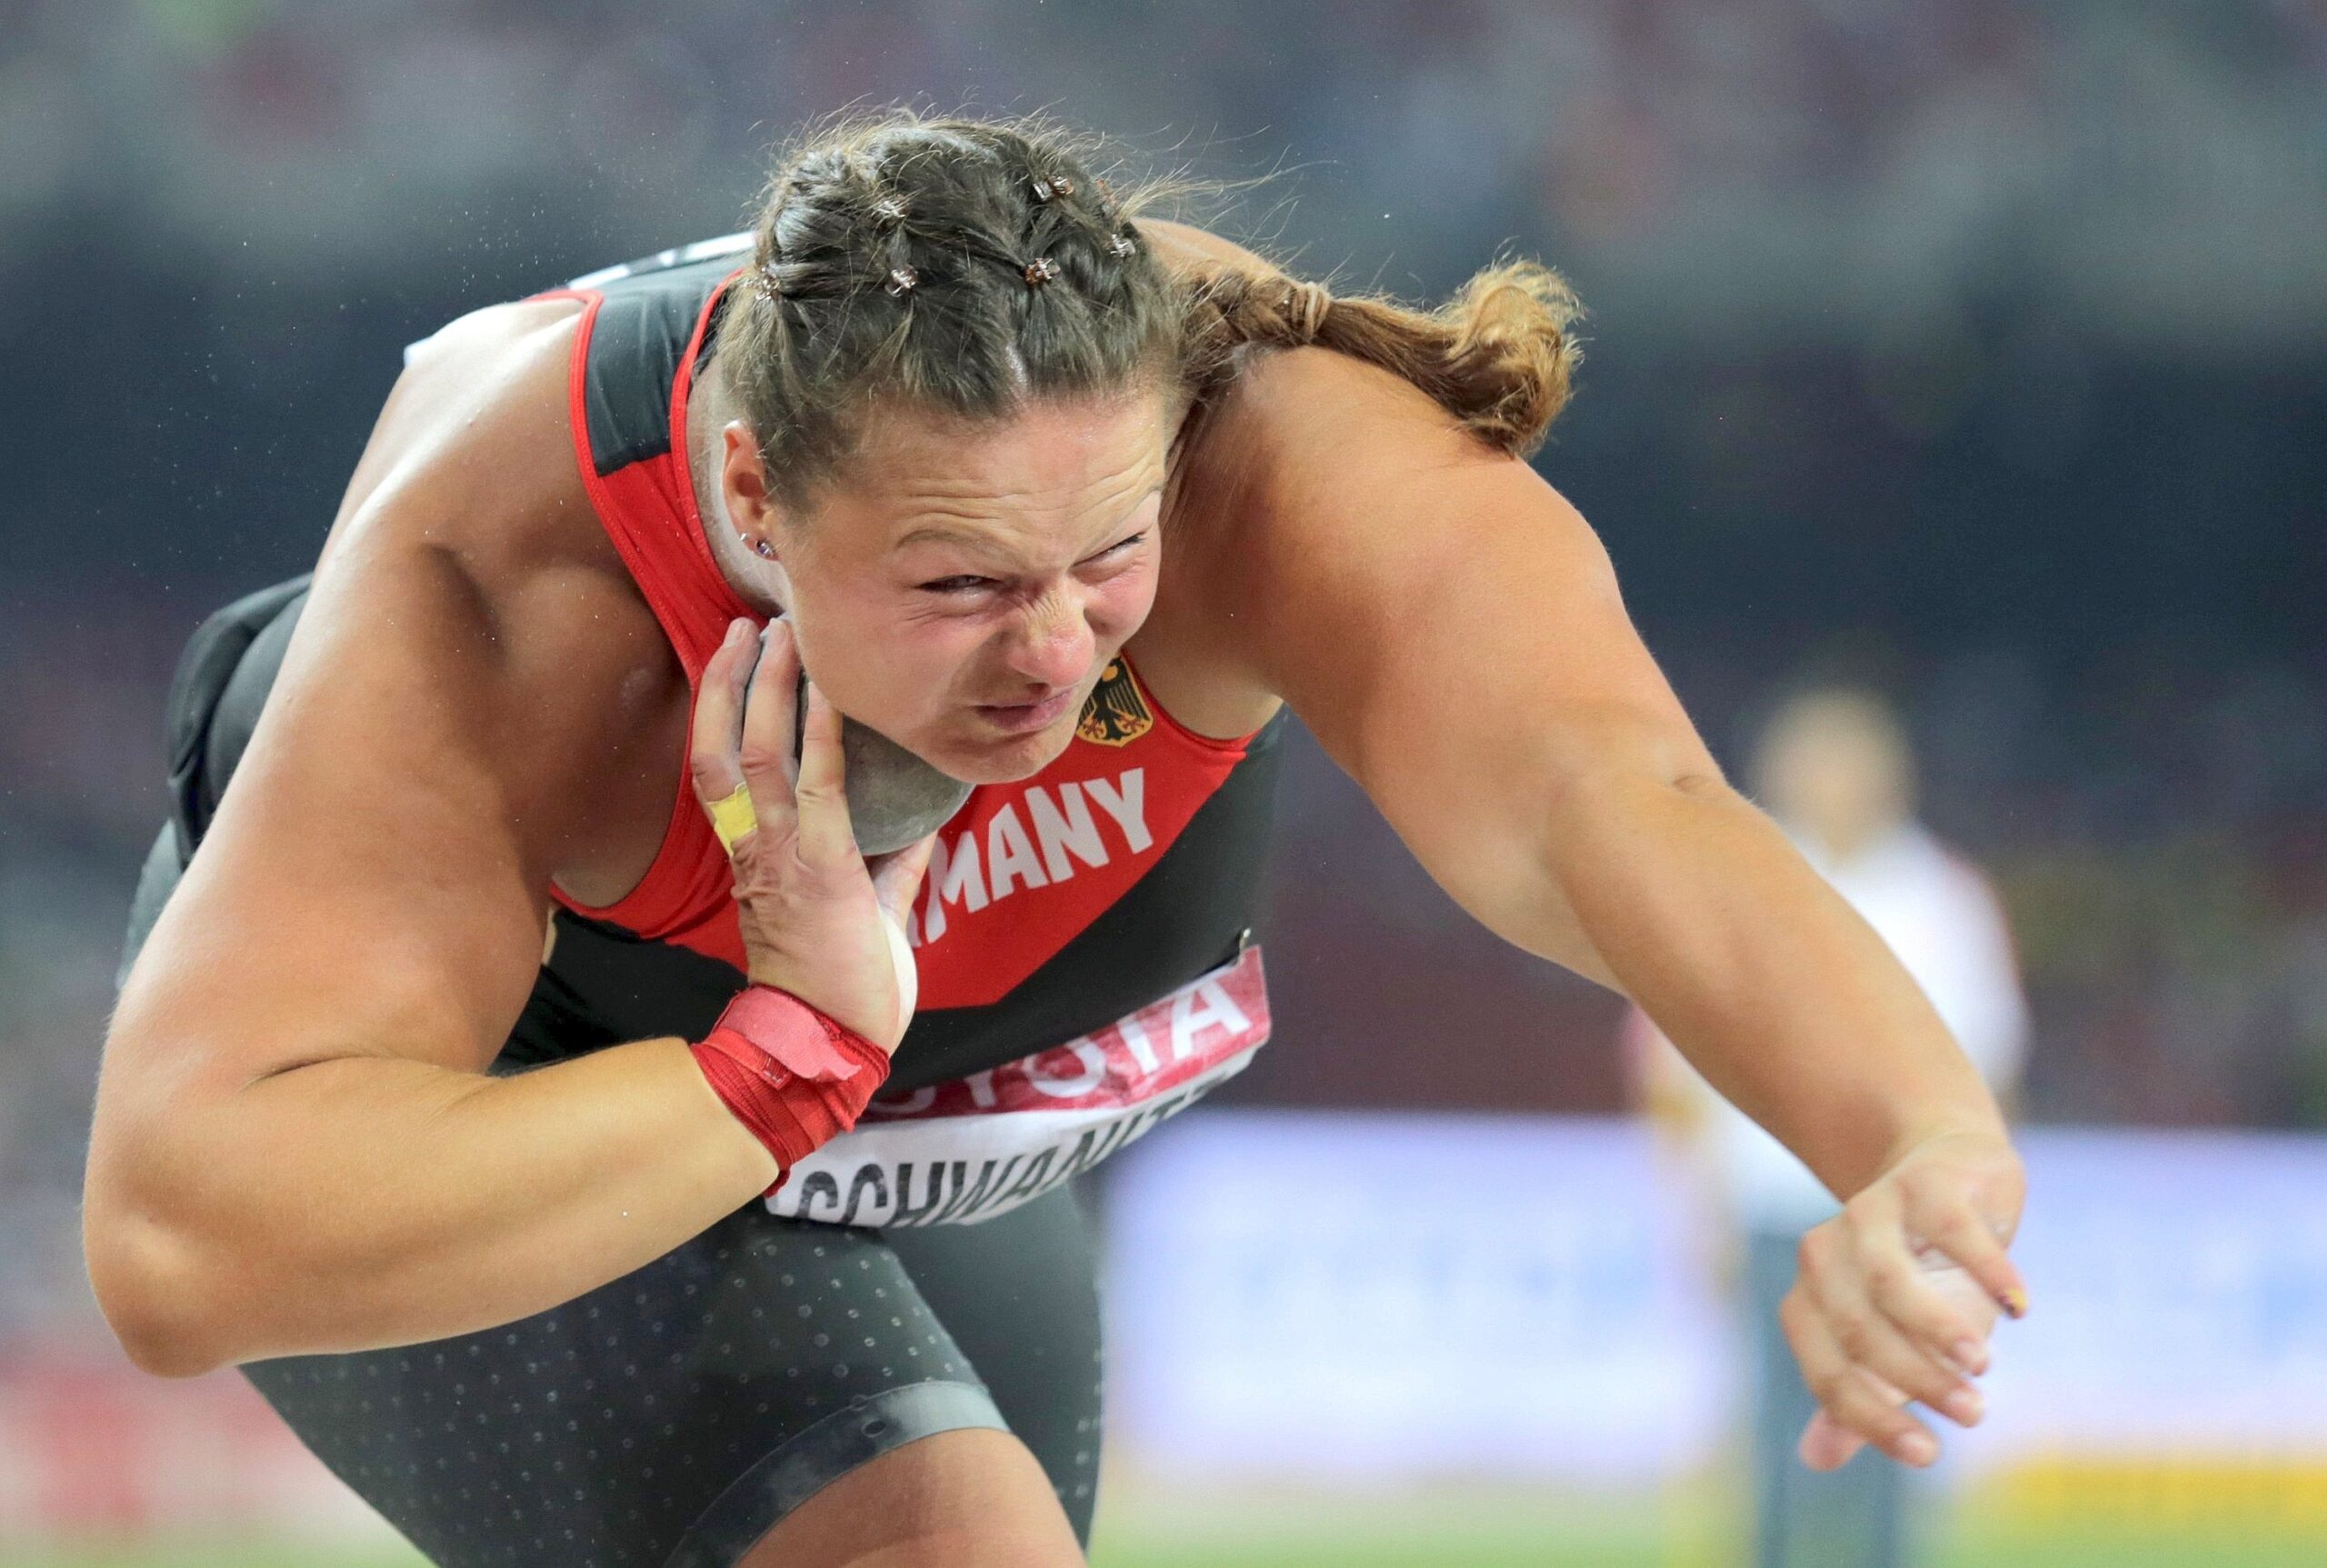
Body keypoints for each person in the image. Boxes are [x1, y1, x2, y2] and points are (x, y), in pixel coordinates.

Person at [86, 109, 2032, 1568]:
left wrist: (1911, 1134)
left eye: (1106, 560)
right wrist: (778, 1064)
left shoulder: (1273, 450)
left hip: (915, 1093)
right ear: (757, 496)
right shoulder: (525, 596)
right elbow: (182, 1236)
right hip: (552, 1083)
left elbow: (1612, 803)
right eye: (955, 582)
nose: (1043, 656)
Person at [1628, 686, 2029, 1568]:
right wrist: (1695, 1202)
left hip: (1901, 1208)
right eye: (1813, 757)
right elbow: (1674, 1071)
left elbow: (1988, 1066)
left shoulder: (1944, 899)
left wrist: (1978, 1216)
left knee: (1892, 1424)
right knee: (1773, 1425)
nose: (1829, 778)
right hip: (1768, 1197)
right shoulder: (1741, 883)